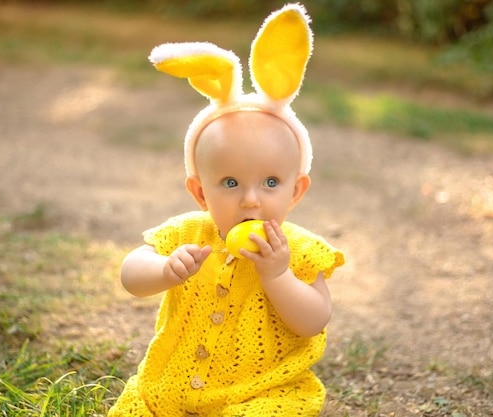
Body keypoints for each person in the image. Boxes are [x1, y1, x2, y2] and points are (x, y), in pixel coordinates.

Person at [108, 4, 345, 416]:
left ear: (296, 191)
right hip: (172, 387)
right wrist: (164, 270)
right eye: (231, 183)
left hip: (262, 394)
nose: (251, 199)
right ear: (200, 193)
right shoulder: (186, 234)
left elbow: (314, 321)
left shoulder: (300, 251)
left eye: (271, 183)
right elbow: (131, 275)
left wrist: (278, 275)